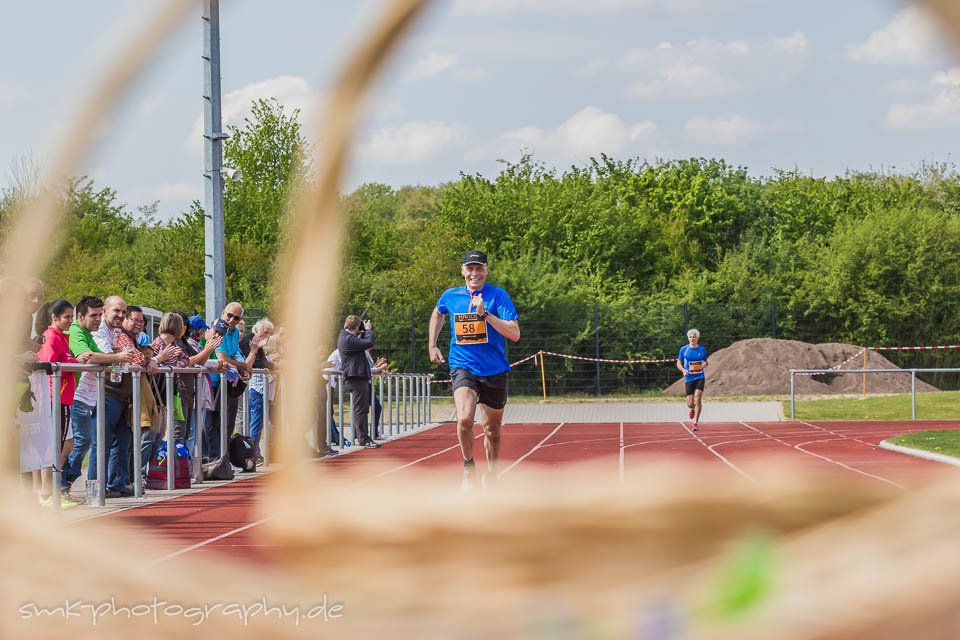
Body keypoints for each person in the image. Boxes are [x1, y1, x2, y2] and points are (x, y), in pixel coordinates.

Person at [428, 250, 520, 491]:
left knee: (492, 430)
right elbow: (438, 313)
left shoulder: (498, 296)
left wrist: (486, 314)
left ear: (487, 271)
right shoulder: (451, 296)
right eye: (470, 268)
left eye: (479, 268)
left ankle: (491, 474)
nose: (474, 273)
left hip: (494, 370)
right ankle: (469, 468)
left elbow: (515, 333)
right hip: (462, 365)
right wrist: (432, 344)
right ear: (462, 271)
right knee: (465, 418)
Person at [36, 299, 94, 507]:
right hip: (55, 396)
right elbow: (51, 364)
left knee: (66, 443)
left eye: (72, 317)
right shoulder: (51, 336)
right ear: (54, 318)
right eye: (67, 317)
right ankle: (47, 493)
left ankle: (51, 490)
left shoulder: (62, 336)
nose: (71, 321)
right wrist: (76, 362)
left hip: (64, 396)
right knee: (55, 445)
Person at [336, 315, 380, 448]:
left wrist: (361, 332)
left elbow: (361, 344)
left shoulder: (349, 337)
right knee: (360, 410)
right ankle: (363, 439)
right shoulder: (347, 338)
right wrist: (367, 330)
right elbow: (368, 343)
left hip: (358, 377)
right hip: (356, 378)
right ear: (355, 326)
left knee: (362, 409)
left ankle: (361, 436)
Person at [240, 317, 275, 463]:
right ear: (256, 329)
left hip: (259, 387)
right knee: (255, 422)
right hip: (255, 387)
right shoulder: (250, 340)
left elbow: (264, 362)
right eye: (265, 331)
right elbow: (259, 364)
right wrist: (274, 365)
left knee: (256, 422)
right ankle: (252, 453)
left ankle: (255, 451)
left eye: (269, 333)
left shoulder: (258, 344)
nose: (266, 336)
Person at [677, 328, 708, 432]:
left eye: (694, 337)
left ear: (697, 338)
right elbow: (678, 363)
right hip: (689, 377)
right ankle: (692, 408)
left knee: (698, 399)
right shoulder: (684, 349)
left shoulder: (702, 349)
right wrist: (683, 370)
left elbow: (705, 362)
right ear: (688, 338)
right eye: (690, 337)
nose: (692, 338)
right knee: (690, 403)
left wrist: (704, 364)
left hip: (700, 376)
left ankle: (695, 423)